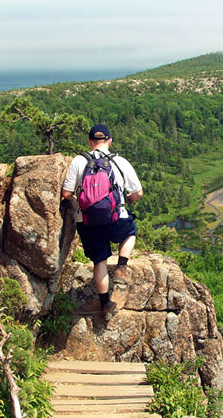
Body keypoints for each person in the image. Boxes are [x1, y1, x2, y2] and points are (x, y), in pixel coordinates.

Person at [62, 124, 143, 319]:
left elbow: (66, 193)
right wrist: (130, 198)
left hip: (88, 222)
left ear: (90, 142)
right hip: (116, 218)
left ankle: (105, 304)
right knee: (130, 232)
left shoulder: (79, 161)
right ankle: (122, 266)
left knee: (100, 261)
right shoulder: (120, 162)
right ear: (109, 141)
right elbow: (138, 192)